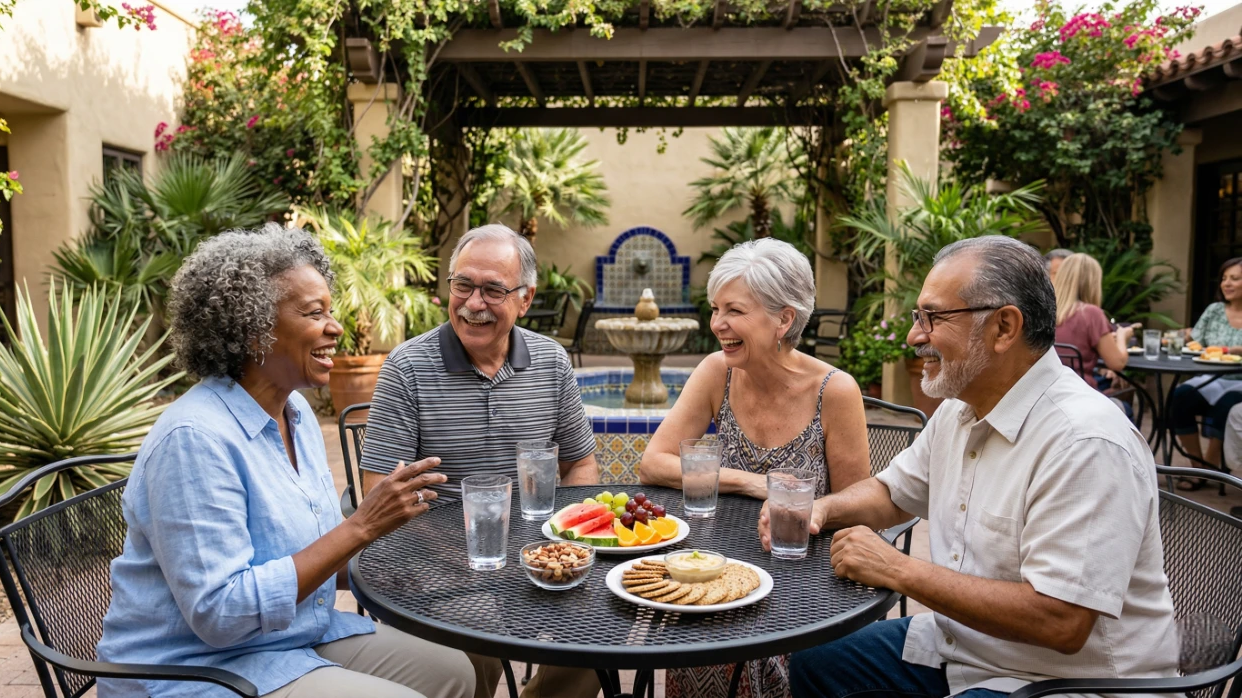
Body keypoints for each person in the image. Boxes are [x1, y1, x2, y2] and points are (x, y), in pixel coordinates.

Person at [768, 236, 1177, 698]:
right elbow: (891, 493)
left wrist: (897, 568)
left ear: (1004, 328)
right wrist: (820, 510)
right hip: (966, 651)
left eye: (933, 317)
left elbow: (1061, 621)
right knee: (818, 660)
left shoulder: (1085, 442)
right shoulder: (961, 409)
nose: (914, 336)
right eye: (917, 317)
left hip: (1069, 682)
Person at [96, 225, 478, 698]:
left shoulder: (295, 415)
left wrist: (412, 563)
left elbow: (304, 553)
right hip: (192, 668)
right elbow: (220, 614)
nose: (335, 327)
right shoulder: (194, 439)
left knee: (455, 670)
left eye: (330, 311)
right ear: (252, 327)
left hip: (288, 639)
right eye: (314, 313)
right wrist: (361, 527)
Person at [360, 223, 600, 698]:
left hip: (537, 556)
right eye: (463, 285)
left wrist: (561, 543)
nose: (473, 303)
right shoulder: (407, 368)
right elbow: (378, 493)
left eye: (493, 289)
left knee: (602, 634)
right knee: (477, 642)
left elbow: (580, 464)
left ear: (525, 299)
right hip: (440, 565)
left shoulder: (551, 362)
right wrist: (454, 554)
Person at [641, 238, 870, 698]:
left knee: (754, 648)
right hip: (720, 567)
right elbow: (653, 463)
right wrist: (755, 482)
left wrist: (812, 510)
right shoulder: (717, 372)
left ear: (784, 319)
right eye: (714, 308)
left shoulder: (835, 391)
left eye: (734, 311)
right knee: (689, 627)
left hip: (803, 579)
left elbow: (859, 507)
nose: (717, 324)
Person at [1171, 257, 1242, 486]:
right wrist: (1177, 336)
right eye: (1224, 278)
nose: (1226, 284)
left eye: (1235, 278)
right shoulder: (1214, 310)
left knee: (1226, 407)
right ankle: (1197, 465)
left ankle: (1210, 469)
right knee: (1180, 397)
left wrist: (1229, 349)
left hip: (1239, 381)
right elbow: (1195, 341)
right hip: (1210, 377)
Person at [1051, 252, 1136, 387]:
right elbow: (1117, 363)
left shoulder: (1045, 311)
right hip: (1081, 395)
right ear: (1093, 283)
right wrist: (1122, 336)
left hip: (1047, 394)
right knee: (1125, 402)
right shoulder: (1090, 314)